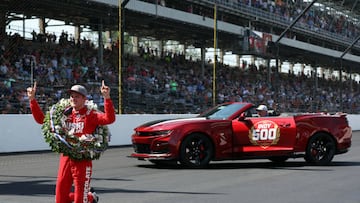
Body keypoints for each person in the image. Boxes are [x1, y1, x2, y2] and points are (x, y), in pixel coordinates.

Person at [27, 80, 116, 203]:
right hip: (66, 159)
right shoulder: (63, 113)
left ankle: (87, 197)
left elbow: (109, 119)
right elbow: (42, 120)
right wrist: (32, 100)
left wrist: (107, 98)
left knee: (80, 200)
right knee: (60, 199)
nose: (74, 99)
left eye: (77, 96)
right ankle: (90, 197)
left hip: (82, 160)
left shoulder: (91, 115)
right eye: (72, 96)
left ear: (84, 99)